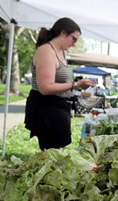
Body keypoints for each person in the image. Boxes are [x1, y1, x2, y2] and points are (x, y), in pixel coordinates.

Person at [24, 17, 95, 150]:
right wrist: (76, 85)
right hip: (46, 109)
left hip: (59, 108)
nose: (74, 43)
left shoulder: (61, 52)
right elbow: (45, 88)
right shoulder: (46, 51)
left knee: (60, 151)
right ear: (63, 33)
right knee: (53, 153)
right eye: (73, 39)